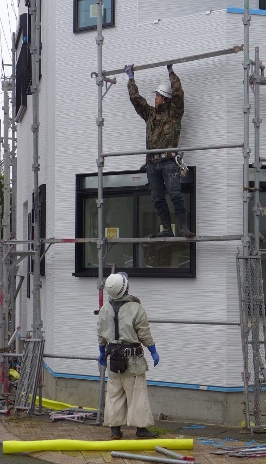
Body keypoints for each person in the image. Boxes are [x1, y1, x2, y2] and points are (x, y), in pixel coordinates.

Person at [125, 63, 195, 238]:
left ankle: (183, 228)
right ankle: (166, 229)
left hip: (169, 162)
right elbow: (136, 99)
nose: (155, 98)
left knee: (175, 195)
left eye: (157, 96)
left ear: (165, 98)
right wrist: (131, 79)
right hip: (152, 164)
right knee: (157, 199)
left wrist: (171, 73)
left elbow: (178, 93)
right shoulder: (150, 114)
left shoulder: (174, 114)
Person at [97, 272, 160, 439]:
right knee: (137, 394)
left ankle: (115, 429)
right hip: (133, 361)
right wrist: (153, 350)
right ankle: (141, 430)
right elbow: (144, 333)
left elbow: (101, 334)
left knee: (114, 394)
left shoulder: (104, 309)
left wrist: (101, 353)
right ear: (125, 288)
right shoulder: (135, 308)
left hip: (113, 359)